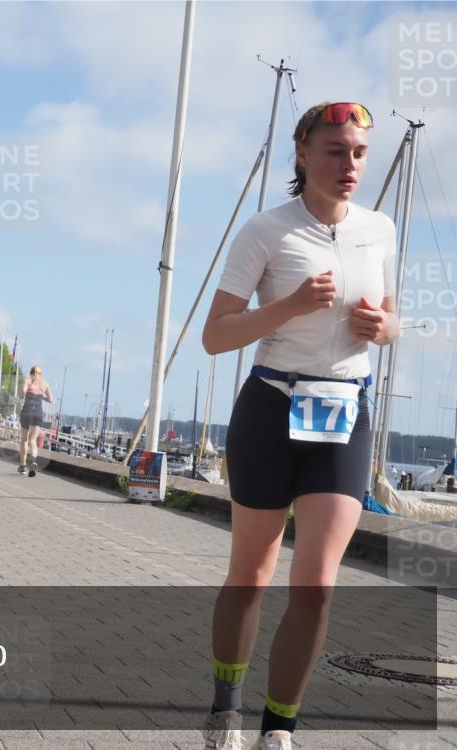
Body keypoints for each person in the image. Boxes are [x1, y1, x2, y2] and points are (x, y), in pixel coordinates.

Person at [200, 102, 398, 750]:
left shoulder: (380, 231)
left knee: (314, 584)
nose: (350, 165)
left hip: (343, 411)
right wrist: (286, 306)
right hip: (271, 407)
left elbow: (391, 321)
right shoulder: (266, 231)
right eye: (337, 151)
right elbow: (215, 335)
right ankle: (225, 708)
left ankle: (278, 729)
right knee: (251, 574)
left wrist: (384, 329)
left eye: (360, 153)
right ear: (303, 154)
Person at [18, 366, 53, 476]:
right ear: (40, 374)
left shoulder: (27, 380)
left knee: (24, 440)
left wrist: (22, 394)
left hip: (27, 410)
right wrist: (42, 397)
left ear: (31, 373)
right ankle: (33, 460)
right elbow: (51, 400)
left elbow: (22, 393)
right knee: (33, 440)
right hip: (38, 412)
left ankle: (23, 466)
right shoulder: (45, 383)